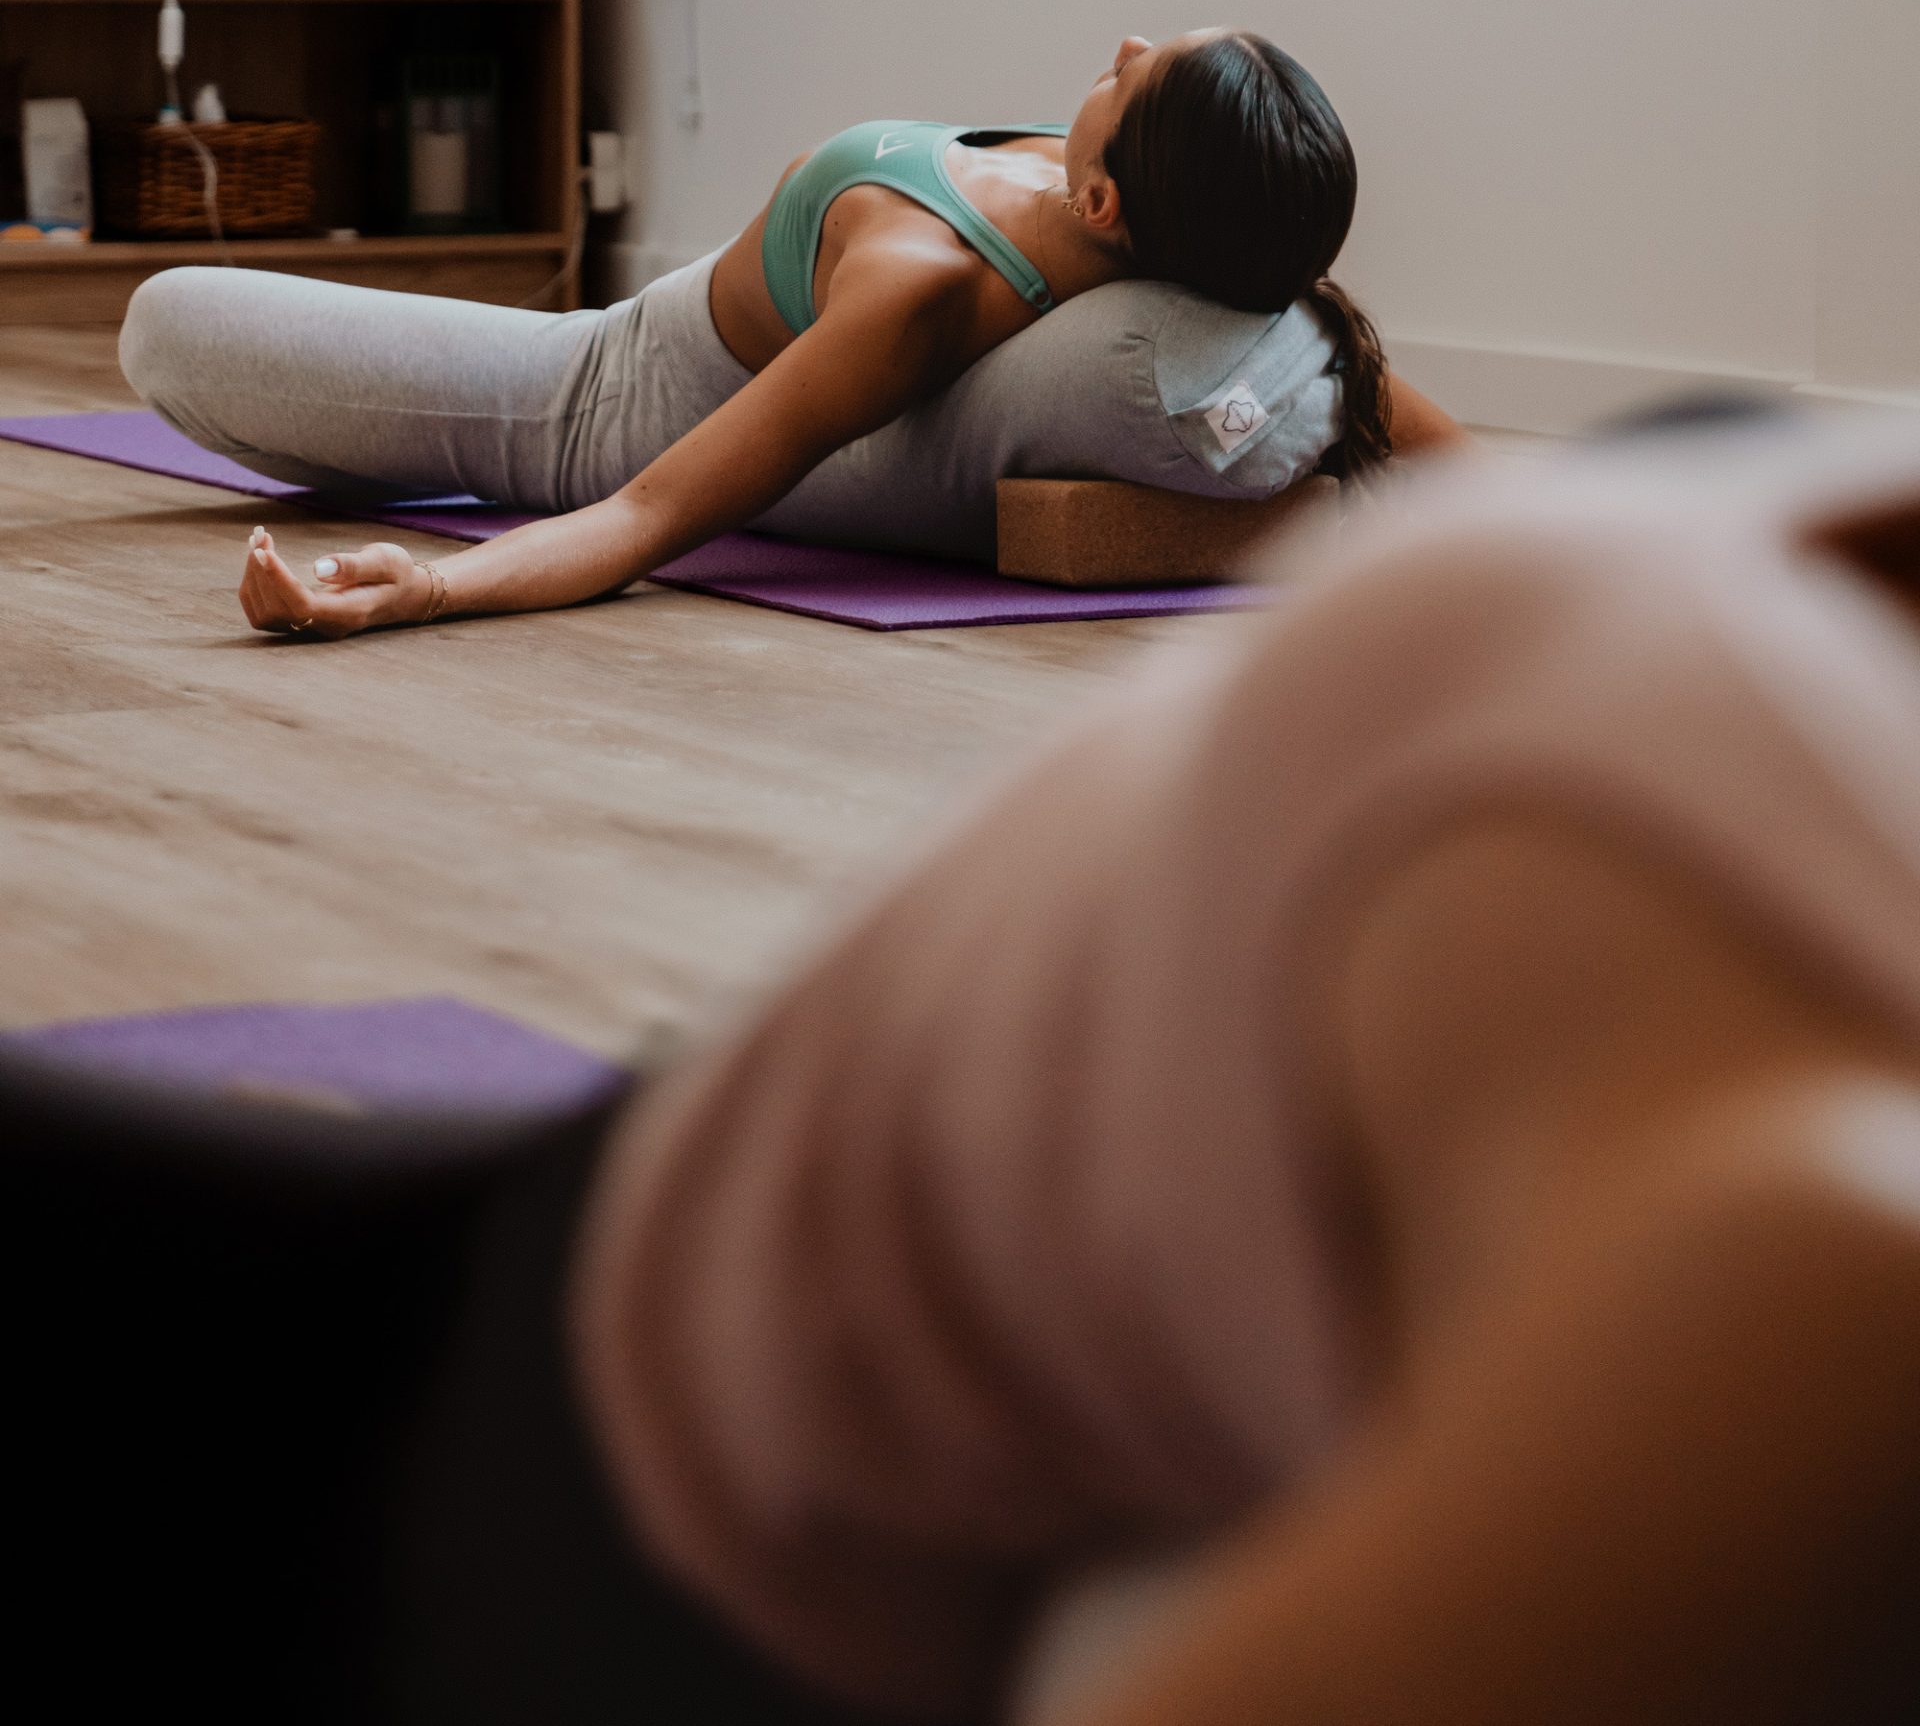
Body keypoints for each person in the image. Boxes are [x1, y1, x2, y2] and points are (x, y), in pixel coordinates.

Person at [9, 407, 1920, 1724]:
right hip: (652, 1225)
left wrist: (429, 588)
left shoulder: (1811, 1235)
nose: (1119, 50)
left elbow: (1808, 1332)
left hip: (574, 1510)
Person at [116, 28, 1464, 643]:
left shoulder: (920, 282)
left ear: (1110, 201)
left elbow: (647, 510)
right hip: (622, 323)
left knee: (168, 323)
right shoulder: (1132, 205)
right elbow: (1412, 422)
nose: (1120, 43)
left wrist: (429, 589)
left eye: (1137, 72)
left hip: (581, 397)